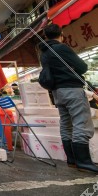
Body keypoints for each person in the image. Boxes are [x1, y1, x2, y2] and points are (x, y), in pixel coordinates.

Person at [39, 23, 97, 172]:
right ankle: (84, 161)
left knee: (66, 124)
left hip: (57, 92)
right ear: (62, 34)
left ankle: (72, 160)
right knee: (81, 123)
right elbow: (82, 67)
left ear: (46, 36)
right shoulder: (61, 48)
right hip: (71, 89)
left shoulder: (44, 52)